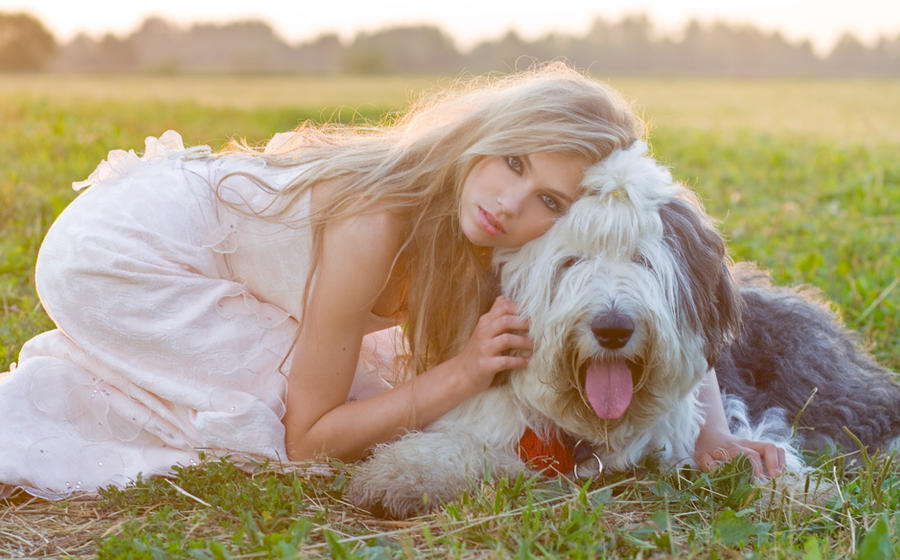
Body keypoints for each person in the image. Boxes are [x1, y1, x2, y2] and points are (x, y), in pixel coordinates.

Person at [0, 64, 783, 499]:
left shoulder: (497, 230)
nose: (510, 203)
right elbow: (311, 442)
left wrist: (710, 431)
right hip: (121, 256)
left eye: (548, 199)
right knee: (298, 426)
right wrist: (462, 373)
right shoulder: (375, 225)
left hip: (174, 247)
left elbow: (666, 278)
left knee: (356, 391)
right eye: (512, 162)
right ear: (484, 137)